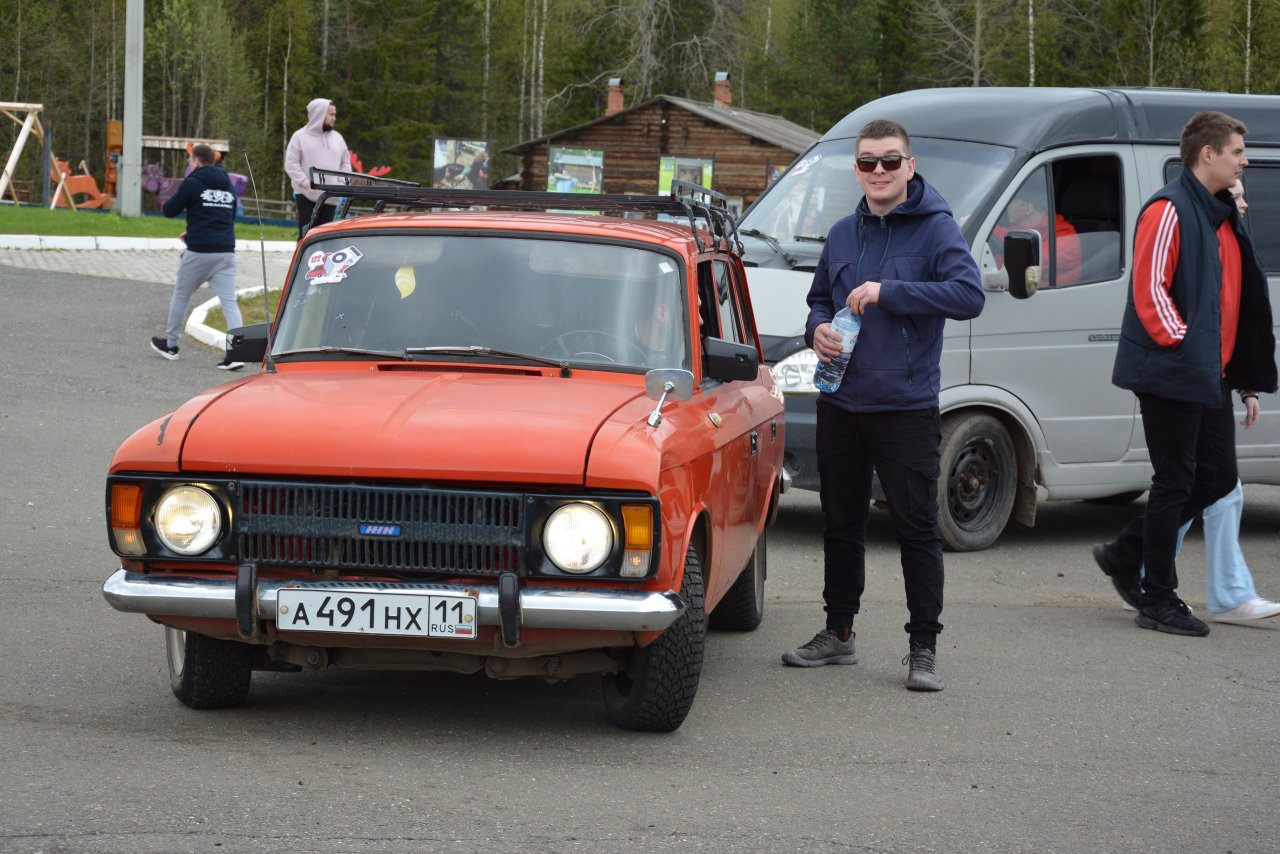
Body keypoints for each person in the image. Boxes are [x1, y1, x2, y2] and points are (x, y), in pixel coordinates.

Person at [781, 119, 984, 691]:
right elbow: (819, 299)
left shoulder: (938, 229)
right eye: (868, 162)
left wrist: (888, 292)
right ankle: (838, 634)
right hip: (841, 399)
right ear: (857, 168)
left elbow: (969, 295)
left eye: (890, 161)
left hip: (904, 405)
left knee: (917, 528)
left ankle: (923, 648)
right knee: (840, 523)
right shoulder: (844, 232)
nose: (879, 172)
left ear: (910, 167)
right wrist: (818, 328)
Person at [1092, 112, 1277, 637]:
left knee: (1216, 478)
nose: (1245, 161)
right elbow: (1150, 292)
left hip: (1209, 374)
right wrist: (1186, 345)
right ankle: (1158, 598)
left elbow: (1234, 306)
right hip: (1172, 371)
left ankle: (1126, 553)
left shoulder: (1221, 215)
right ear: (1208, 154)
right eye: (1238, 152)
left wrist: (1242, 379)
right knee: (1175, 480)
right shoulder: (1169, 209)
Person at [149, 143, 244, 370]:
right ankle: (238, 353)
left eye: (189, 160)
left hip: (199, 252)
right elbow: (227, 217)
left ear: (196, 160)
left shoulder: (192, 183)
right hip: (225, 252)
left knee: (181, 296)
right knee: (229, 303)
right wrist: (193, 231)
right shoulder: (228, 185)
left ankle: (171, 346)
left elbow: (170, 210)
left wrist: (194, 231)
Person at [284, 98, 351, 239]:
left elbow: (345, 164)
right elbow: (291, 163)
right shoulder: (299, 137)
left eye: (335, 114)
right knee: (307, 236)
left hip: (331, 197)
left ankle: (324, 262)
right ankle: (302, 261)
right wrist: (305, 183)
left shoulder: (338, 138)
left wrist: (341, 185)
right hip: (306, 195)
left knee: (325, 238)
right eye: (331, 114)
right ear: (319, 114)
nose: (334, 118)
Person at [993, 189, 1082, 285]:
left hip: (1057, 297)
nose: (1008, 206)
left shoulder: (1066, 234)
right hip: (1026, 293)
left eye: (1012, 202)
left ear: (1028, 208)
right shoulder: (1017, 229)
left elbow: (1031, 258)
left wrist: (993, 230)